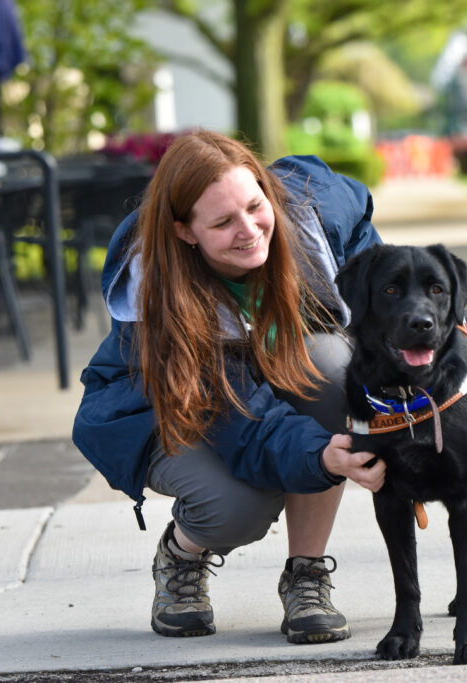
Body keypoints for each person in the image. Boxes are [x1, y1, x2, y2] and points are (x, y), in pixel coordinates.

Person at [72, 130, 387, 644]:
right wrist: (327, 457)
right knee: (236, 508)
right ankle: (182, 556)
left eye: (254, 206)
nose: (249, 230)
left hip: (268, 381)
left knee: (333, 364)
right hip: (162, 406)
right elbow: (245, 424)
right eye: (222, 222)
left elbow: (377, 265)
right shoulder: (160, 294)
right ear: (185, 231)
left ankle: (306, 576)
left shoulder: (315, 215)